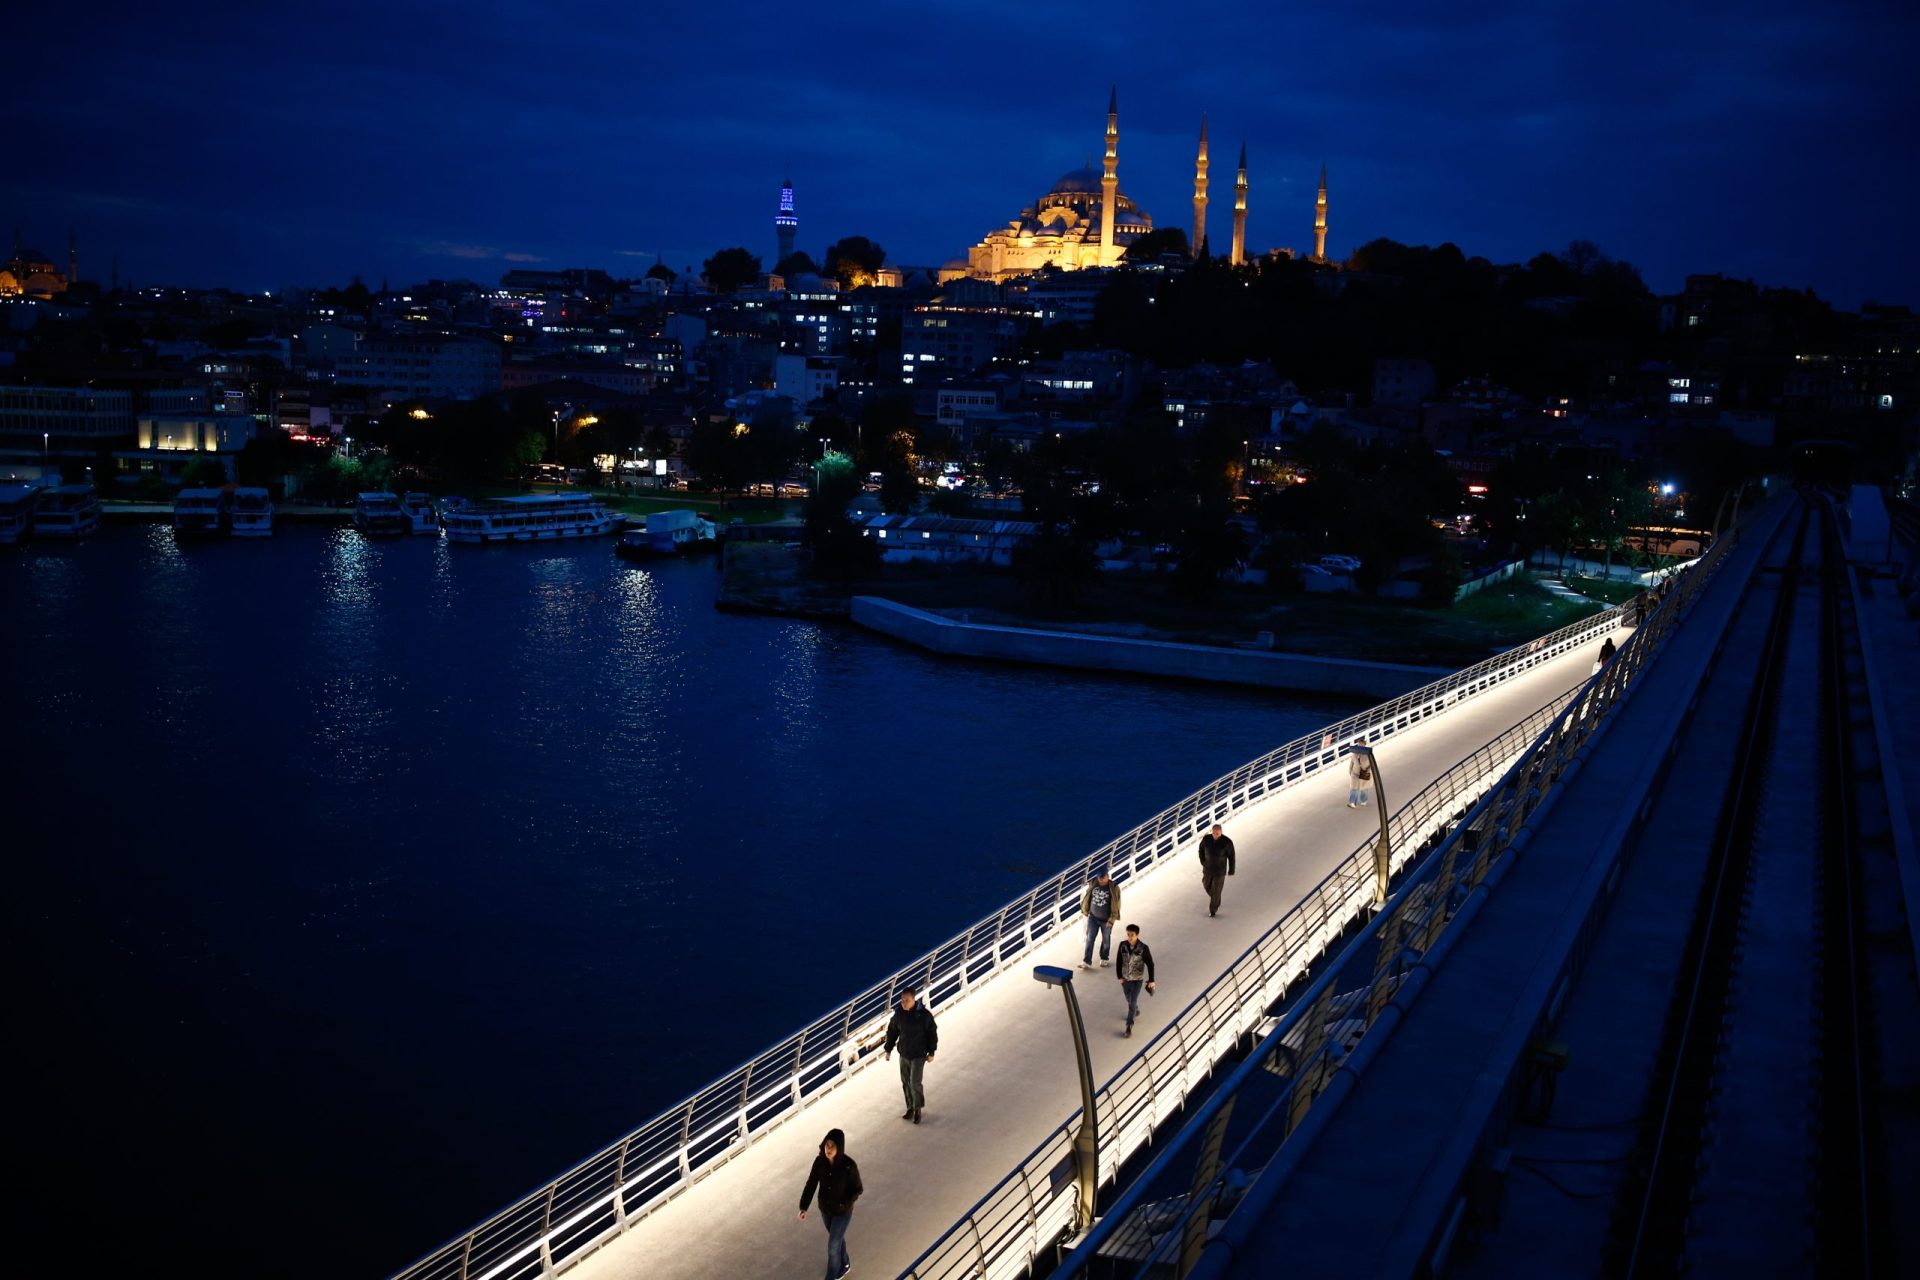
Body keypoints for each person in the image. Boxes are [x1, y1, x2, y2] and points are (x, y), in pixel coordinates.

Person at [797, 1127, 863, 1280]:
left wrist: (844, 1203)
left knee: (833, 1245)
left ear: (839, 1147)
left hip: (842, 1212)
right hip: (825, 1210)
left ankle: (832, 1276)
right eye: (827, 1145)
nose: (829, 1149)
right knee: (836, 1239)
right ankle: (845, 1263)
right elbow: (811, 1184)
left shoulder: (848, 1165)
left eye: (832, 1146)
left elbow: (858, 1188)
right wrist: (803, 1207)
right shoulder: (819, 1162)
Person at [883, 987, 939, 1123]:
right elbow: (892, 1032)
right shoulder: (899, 1015)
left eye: (906, 1000)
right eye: (902, 1000)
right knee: (906, 1082)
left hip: (918, 1055)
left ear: (914, 999)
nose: (903, 1003)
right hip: (904, 1054)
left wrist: (931, 1052)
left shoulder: (924, 1016)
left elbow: (932, 1033)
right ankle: (910, 1108)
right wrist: (888, 1049)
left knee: (915, 1083)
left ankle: (918, 1108)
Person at [1115, 924, 1157, 1037]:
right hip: (1125, 979)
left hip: (1137, 980)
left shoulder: (1144, 948)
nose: (1129, 937)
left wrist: (1152, 980)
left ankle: (1129, 1026)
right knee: (1129, 1000)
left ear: (1137, 935)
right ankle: (1135, 1010)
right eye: (1128, 934)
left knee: (1132, 1001)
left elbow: (1150, 964)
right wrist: (1120, 977)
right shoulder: (1122, 945)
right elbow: (1118, 962)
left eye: (1132, 935)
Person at [1080, 870, 1121, 967]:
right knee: (1090, 939)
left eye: (1102, 877)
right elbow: (1088, 897)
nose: (1100, 879)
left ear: (1108, 876)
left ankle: (1104, 958)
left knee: (1106, 939)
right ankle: (1087, 961)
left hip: (1106, 919)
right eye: (1099, 877)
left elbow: (1117, 905)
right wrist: (1085, 910)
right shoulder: (1094, 883)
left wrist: (1111, 920)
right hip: (1093, 918)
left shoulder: (1114, 888)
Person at [1197, 823, 1235, 916]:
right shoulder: (1206, 839)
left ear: (1221, 832)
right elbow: (1201, 850)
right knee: (1206, 885)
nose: (1216, 835)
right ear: (1212, 832)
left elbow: (1231, 856)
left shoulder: (1227, 842)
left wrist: (1231, 870)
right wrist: (1203, 862)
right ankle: (1216, 899)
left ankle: (1213, 910)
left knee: (1217, 890)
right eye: (1214, 833)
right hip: (1208, 869)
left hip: (1219, 871)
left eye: (1218, 833)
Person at [1347, 742, 1373, 809]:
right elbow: (1351, 763)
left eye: (1361, 745)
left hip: (1364, 774)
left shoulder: (1368, 754)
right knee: (1354, 789)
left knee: (1364, 789)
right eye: (1359, 745)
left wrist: (1367, 770)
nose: (1360, 746)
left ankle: (1363, 800)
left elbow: (1372, 764)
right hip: (1355, 774)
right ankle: (1352, 802)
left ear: (1364, 745)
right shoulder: (1354, 754)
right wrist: (1350, 772)